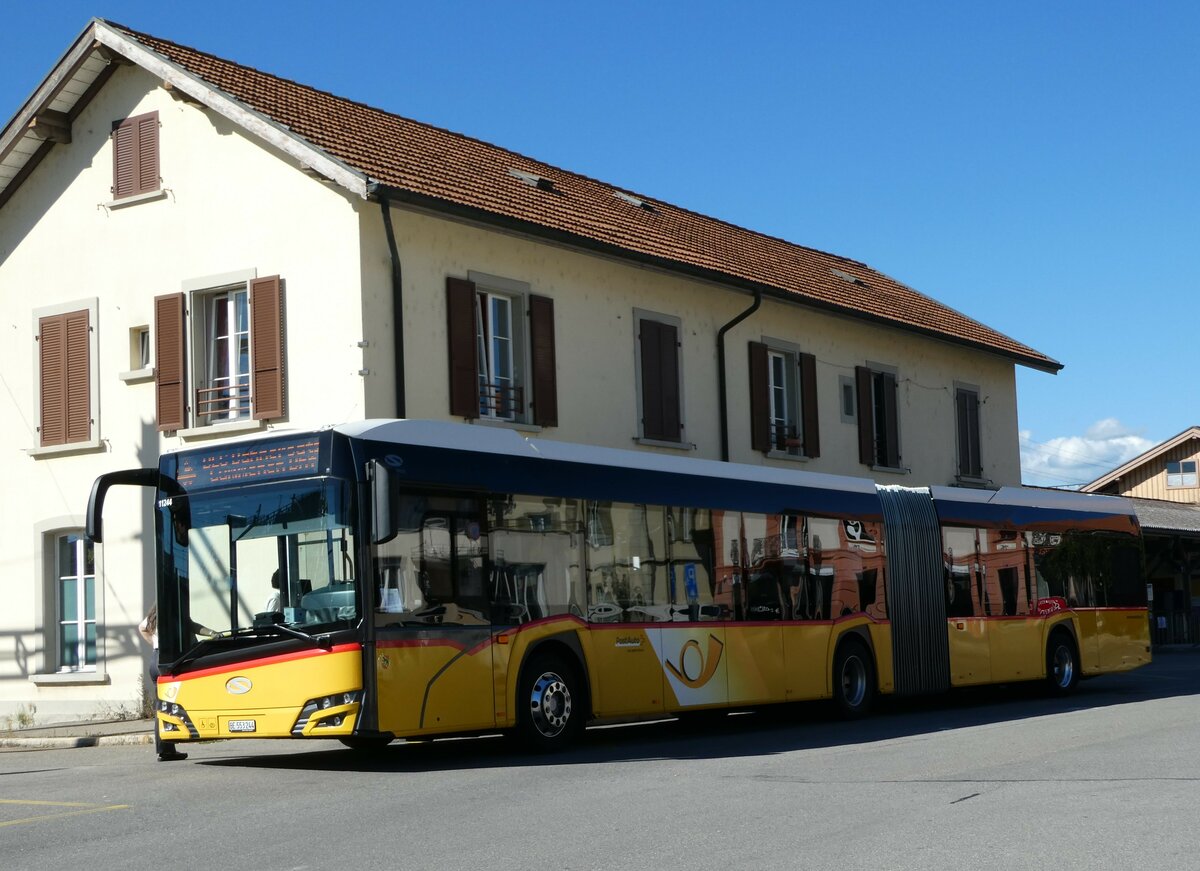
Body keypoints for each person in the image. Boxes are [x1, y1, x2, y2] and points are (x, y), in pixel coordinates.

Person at [138, 603, 187, 762]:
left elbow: (141, 627)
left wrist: (153, 643)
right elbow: (192, 626)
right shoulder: (173, 614)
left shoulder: (154, 616)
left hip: (154, 659)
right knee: (167, 705)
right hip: (165, 659)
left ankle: (165, 749)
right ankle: (167, 748)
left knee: (161, 705)